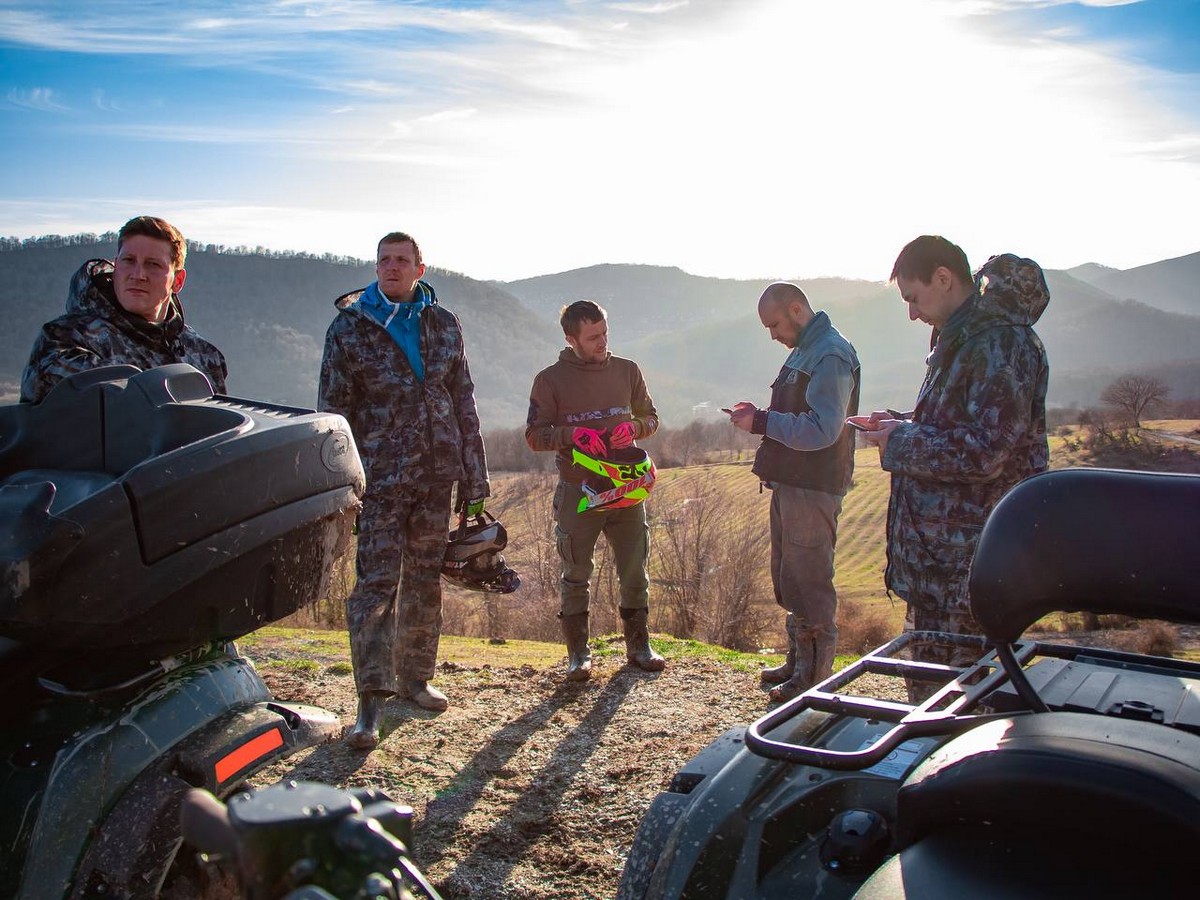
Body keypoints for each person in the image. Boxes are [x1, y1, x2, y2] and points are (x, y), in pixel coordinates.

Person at [319, 231, 489, 749]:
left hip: (437, 476)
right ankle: (370, 700)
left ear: (420, 267)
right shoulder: (350, 327)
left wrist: (474, 475)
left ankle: (416, 679)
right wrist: (339, 485)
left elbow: (463, 399)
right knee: (374, 588)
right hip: (378, 483)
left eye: (401, 260)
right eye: (383, 260)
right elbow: (333, 411)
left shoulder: (443, 324)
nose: (391, 267)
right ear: (375, 267)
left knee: (424, 581)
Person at [861, 236, 1049, 696]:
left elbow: (985, 452)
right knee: (935, 699)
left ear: (943, 278)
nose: (912, 313)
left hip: (969, 568)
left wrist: (899, 441)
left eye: (913, 297)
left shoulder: (999, 342)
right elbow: (959, 423)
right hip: (944, 565)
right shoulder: (967, 336)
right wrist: (900, 422)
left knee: (961, 707)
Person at [729, 283, 861, 702]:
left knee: (810, 581)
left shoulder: (831, 354)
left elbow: (823, 429)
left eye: (774, 324)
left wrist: (762, 422)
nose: (772, 334)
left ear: (796, 309)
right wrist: (760, 417)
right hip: (791, 482)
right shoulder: (807, 348)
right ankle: (798, 663)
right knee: (790, 577)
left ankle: (813, 679)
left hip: (814, 485)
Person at [525, 300, 664, 682]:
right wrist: (572, 435)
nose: (603, 342)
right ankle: (579, 656)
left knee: (635, 570)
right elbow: (534, 436)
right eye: (593, 337)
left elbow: (651, 417)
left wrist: (635, 428)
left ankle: (639, 646)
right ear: (572, 340)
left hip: (628, 489)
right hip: (578, 492)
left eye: (605, 333)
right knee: (576, 573)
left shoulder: (627, 370)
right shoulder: (550, 379)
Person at [21, 216, 227, 403]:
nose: (138, 274)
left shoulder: (203, 356)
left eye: (153, 264)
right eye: (129, 261)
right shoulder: (65, 340)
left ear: (178, 281)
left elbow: (223, 432)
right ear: (116, 266)